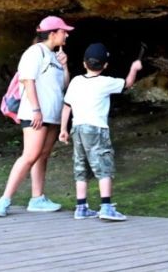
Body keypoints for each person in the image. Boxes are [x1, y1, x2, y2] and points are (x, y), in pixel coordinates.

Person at [0, 16, 74, 217]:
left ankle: (37, 198)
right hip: (36, 114)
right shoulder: (34, 52)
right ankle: (4, 200)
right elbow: (28, 81)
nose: (67, 34)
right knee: (29, 155)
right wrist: (36, 109)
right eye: (63, 31)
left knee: (41, 156)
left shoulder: (54, 56)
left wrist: (64, 66)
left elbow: (62, 85)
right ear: (53, 33)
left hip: (52, 115)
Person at [58, 42, 142, 221]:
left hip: (77, 128)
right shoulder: (106, 82)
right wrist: (134, 68)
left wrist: (63, 129)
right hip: (96, 129)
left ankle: (81, 207)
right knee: (103, 165)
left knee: (80, 167)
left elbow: (67, 106)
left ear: (84, 63)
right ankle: (106, 207)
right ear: (105, 65)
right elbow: (127, 83)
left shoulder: (76, 81)